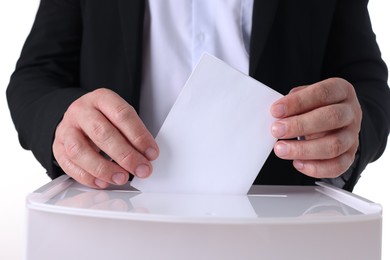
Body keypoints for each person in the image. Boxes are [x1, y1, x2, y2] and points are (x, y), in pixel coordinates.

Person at [6, 0, 390, 192]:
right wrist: (62, 121)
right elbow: (37, 76)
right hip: (114, 210)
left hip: (280, 221)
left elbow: (366, 84)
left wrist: (351, 133)